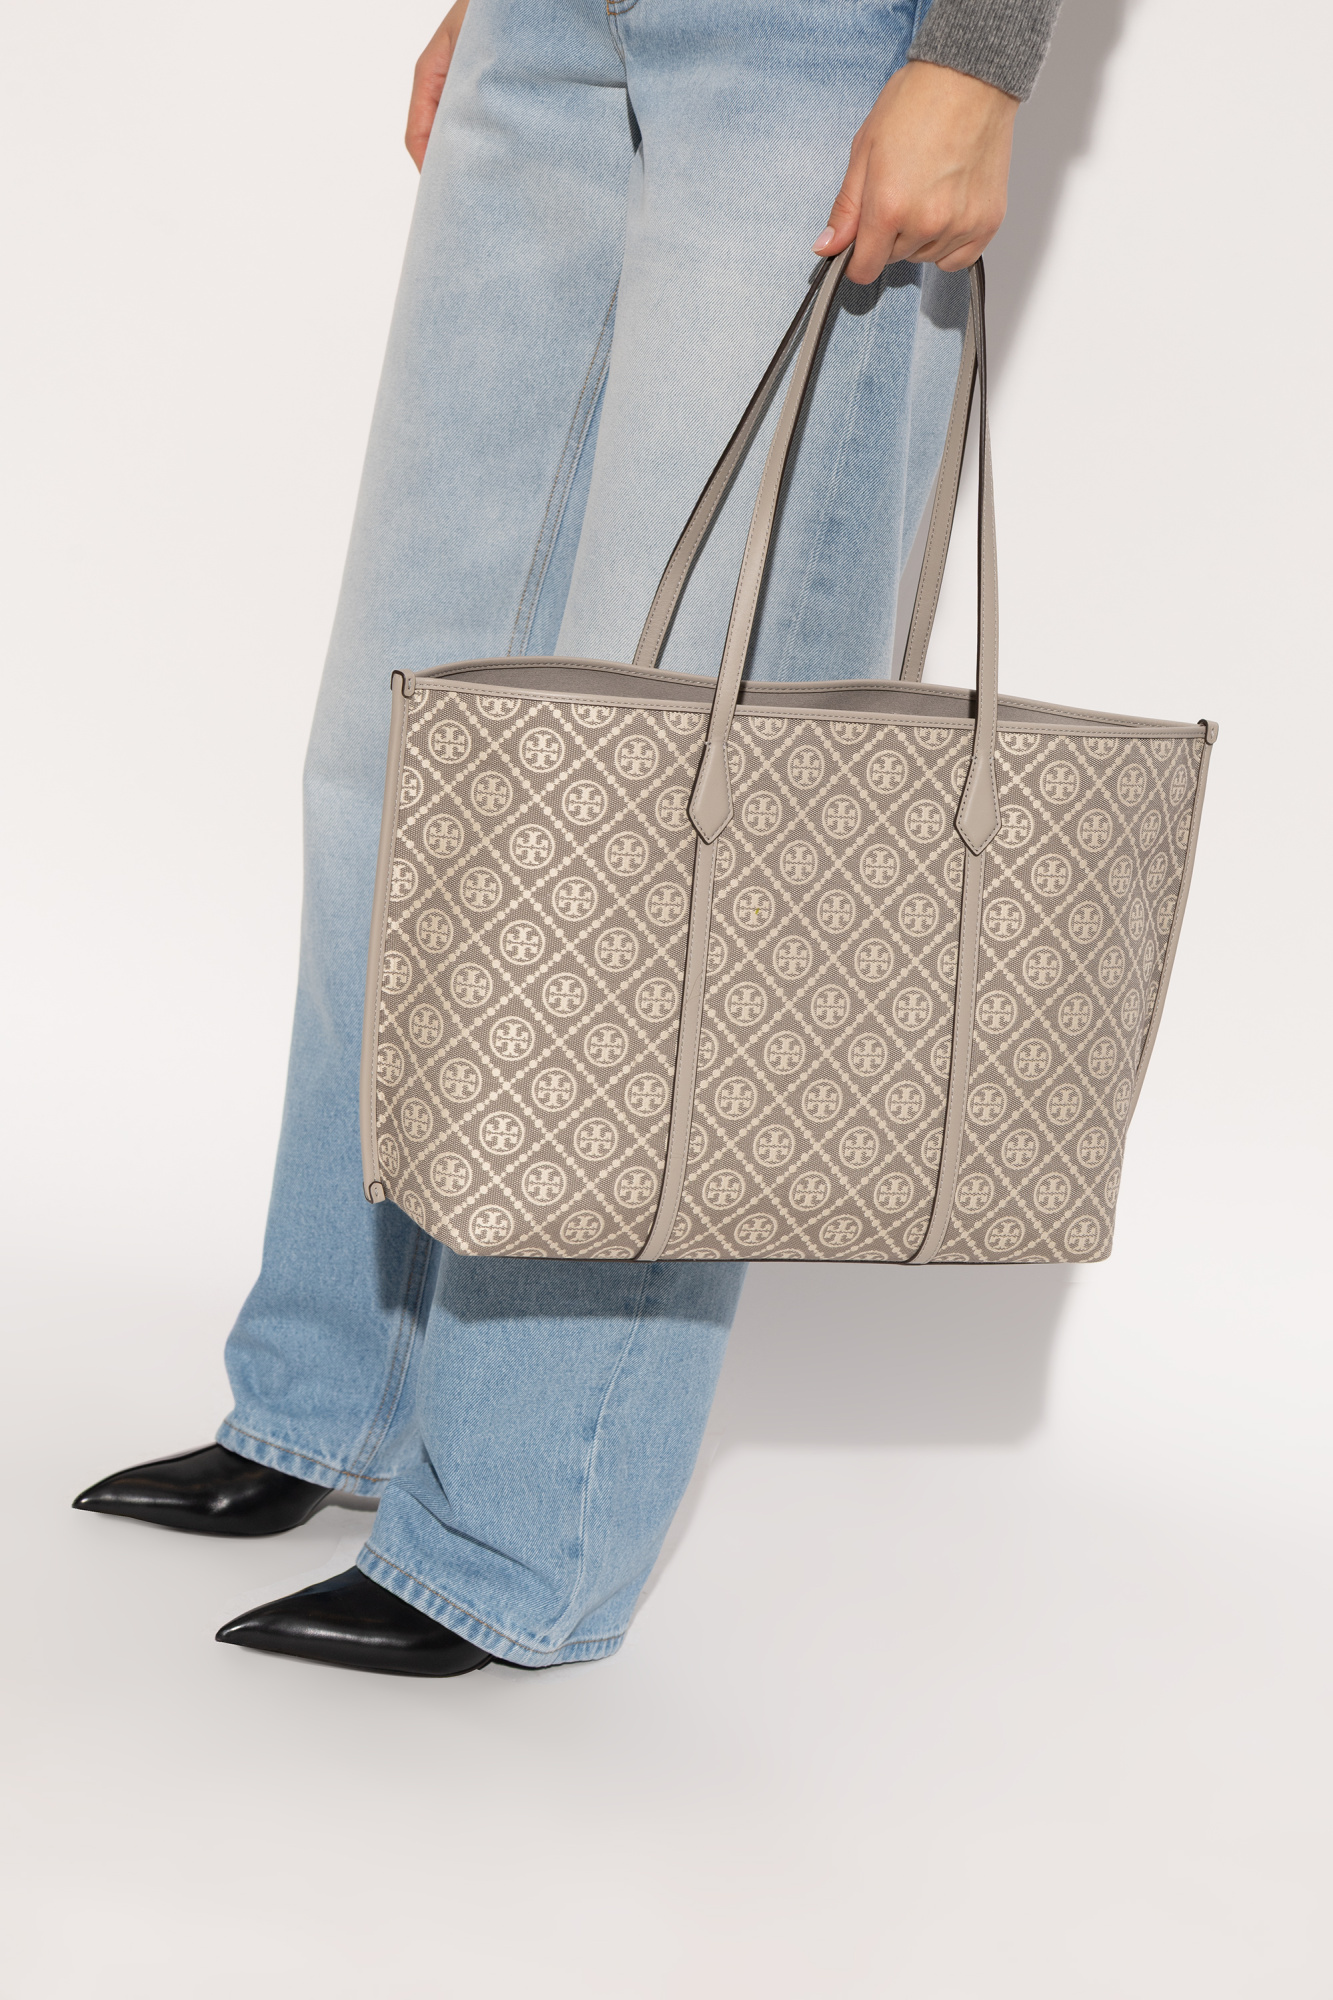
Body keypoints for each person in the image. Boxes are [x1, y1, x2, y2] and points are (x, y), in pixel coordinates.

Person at [74, 0, 1058, 1678]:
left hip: (810, 49)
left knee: (676, 816)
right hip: (541, 34)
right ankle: (334, 1392)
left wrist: (976, 49)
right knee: (398, 741)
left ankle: (518, 1523)